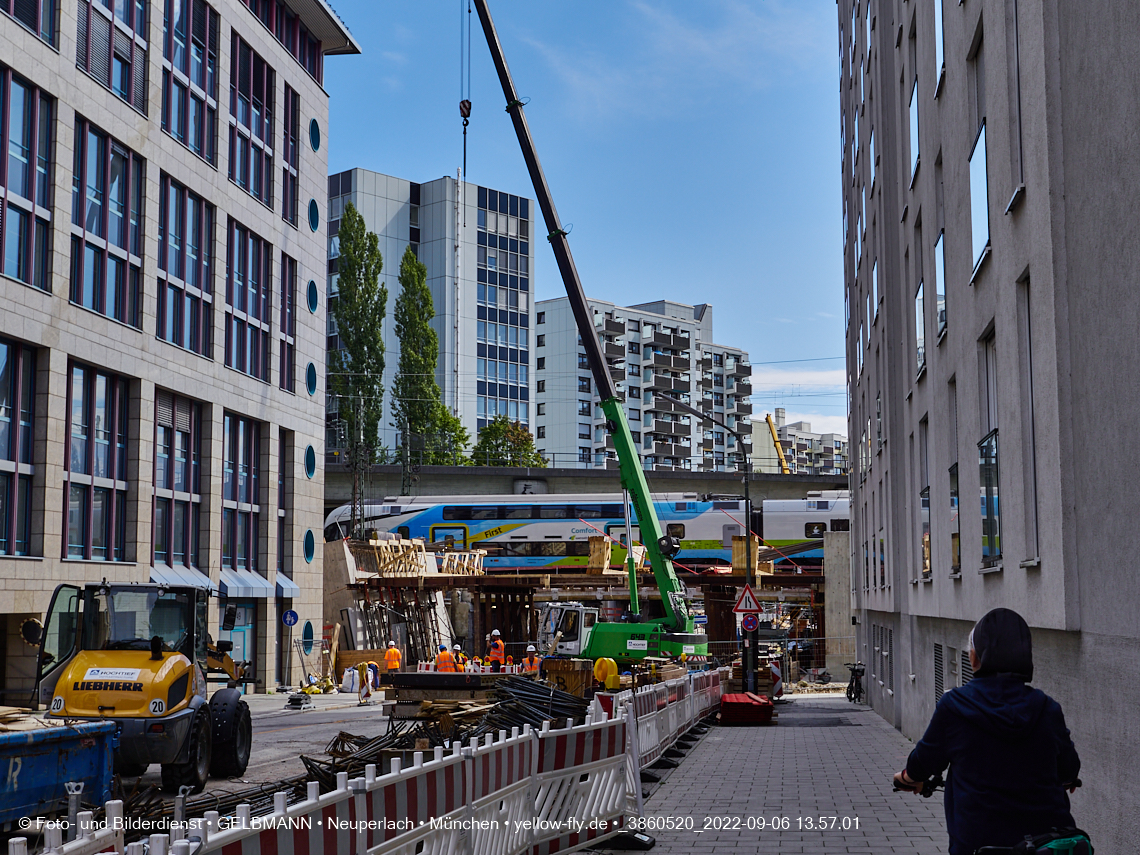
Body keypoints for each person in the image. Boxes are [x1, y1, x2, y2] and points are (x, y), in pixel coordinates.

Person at [893, 608, 1082, 855]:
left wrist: (908, 777)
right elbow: (1069, 767)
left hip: (980, 844)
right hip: (1045, 842)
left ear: (975, 658)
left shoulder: (955, 706)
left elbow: (925, 760)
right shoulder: (1047, 708)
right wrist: (1067, 778)